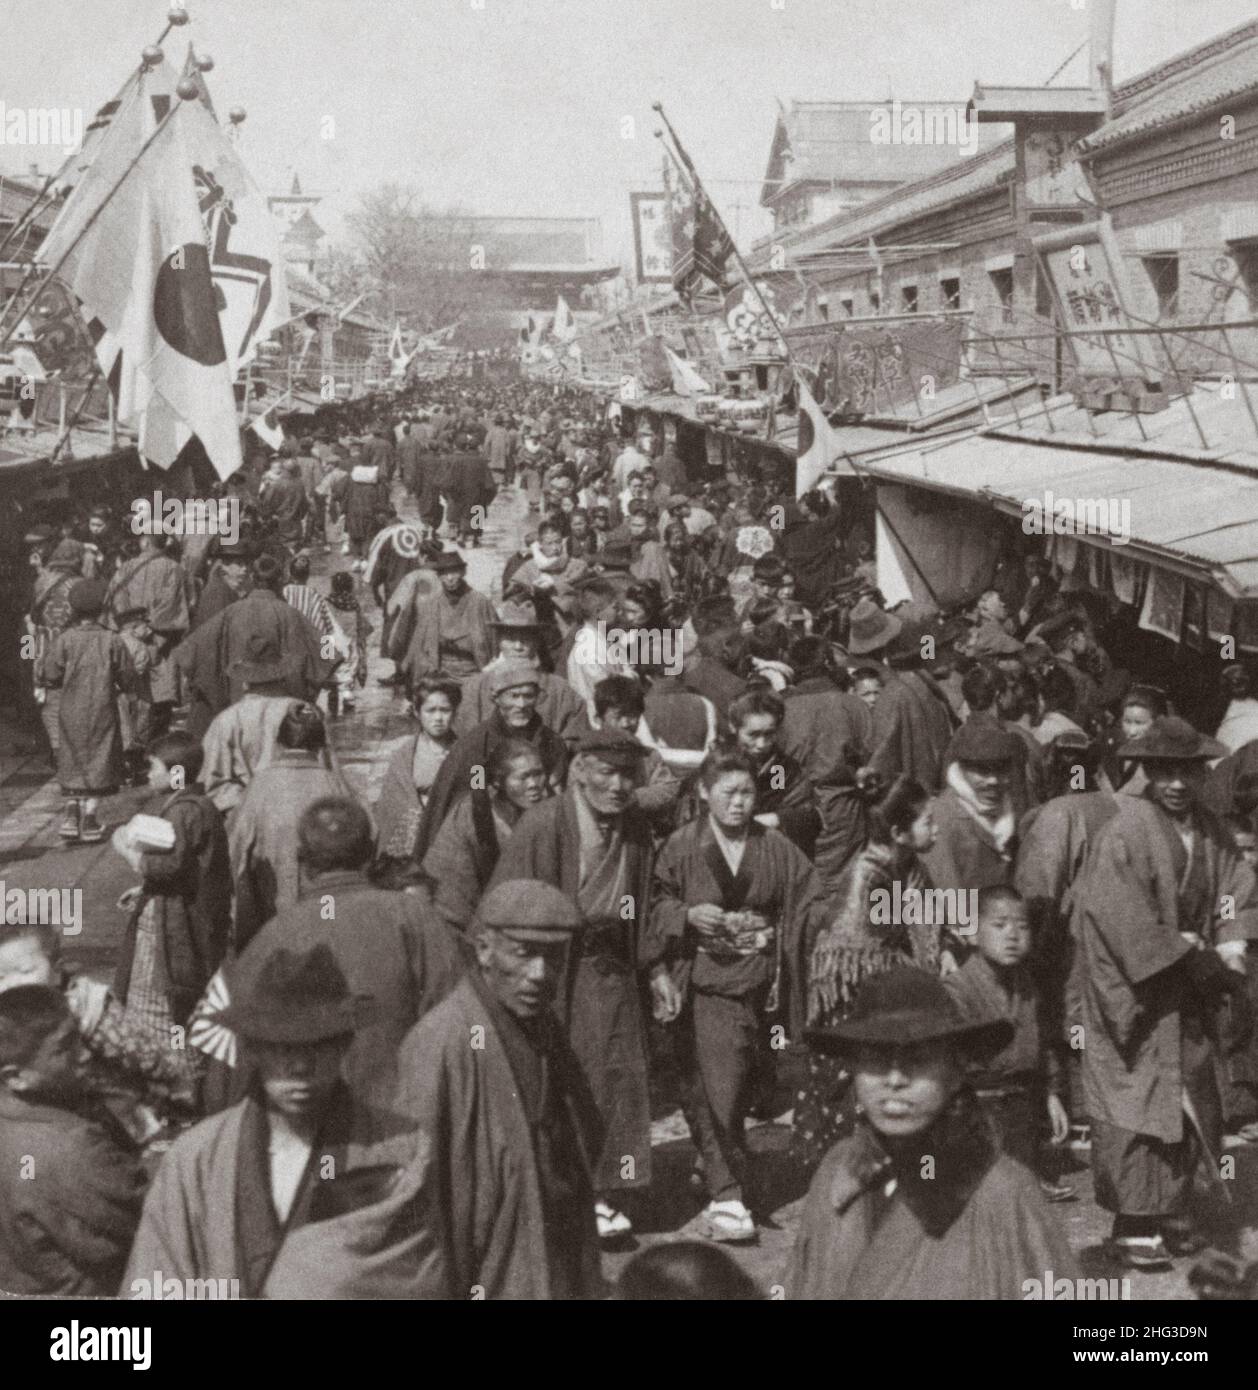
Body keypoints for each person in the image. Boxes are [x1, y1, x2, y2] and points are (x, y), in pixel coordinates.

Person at [266, 881, 606, 1300]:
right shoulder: (444, 1041)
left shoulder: (541, 1025)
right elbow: (411, 1187)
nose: (540, 973)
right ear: (483, 950)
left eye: (553, 957)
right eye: (523, 953)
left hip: (549, 1246)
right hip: (487, 1263)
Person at [1073, 716, 1257, 1268]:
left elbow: (1232, 893)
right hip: (1139, 990)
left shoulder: (1211, 830)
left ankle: (1175, 1208)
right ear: (1147, 772)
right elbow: (1112, 913)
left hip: (1190, 987)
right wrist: (1178, 950)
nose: (1177, 784)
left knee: (1191, 1097)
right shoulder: (1125, 832)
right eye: (1165, 772)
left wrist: (1228, 945)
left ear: (1202, 774)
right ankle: (1133, 1222)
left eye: (1188, 773)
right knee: (1136, 1103)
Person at [125, 944, 405, 1296]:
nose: (300, 1067)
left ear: (343, 1045)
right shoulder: (196, 1159)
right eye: (283, 1048)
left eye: (317, 1046)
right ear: (253, 1050)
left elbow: (417, 1276)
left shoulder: (398, 1152)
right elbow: (154, 1284)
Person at [788, 967, 1077, 1298]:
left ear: (956, 1072)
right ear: (852, 1070)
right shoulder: (837, 1172)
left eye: (919, 1059)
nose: (895, 1080)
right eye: (875, 1059)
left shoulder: (1002, 1193)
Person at [650, 748, 828, 1241]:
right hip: (707, 985)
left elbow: (811, 896)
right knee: (718, 1089)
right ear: (704, 793)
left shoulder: (773, 845)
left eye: (748, 792)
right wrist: (686, 916)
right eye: (728, 792)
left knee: (748, 1085)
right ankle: (727, 1193)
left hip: (762, 985)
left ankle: (714, 1166)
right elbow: (653, 901)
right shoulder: (681, 846)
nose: (739, 803)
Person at [490, 727, 656, 1244]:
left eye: (628, 774)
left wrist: (656, 969)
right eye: (606, 772)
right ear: (581, 772)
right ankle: (560, 1192)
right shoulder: (544, 825)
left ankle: (608, 1192)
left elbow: (643, 904)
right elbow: (506, 904)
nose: (618, 785)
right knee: (558, 1077)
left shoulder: (636, 829)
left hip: (612, 965)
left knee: (618, 1076)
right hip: (556, 967)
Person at [222, 799, 467, 1112]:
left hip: (309, 1132)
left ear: (301, 860)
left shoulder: (272, 936)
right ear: (370, 854)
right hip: (403, 1126)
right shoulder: (414, 917)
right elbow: (458, 1016)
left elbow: (233, 1056)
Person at [0, 986, 146, 1295]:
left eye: (78, 1037)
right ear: (16, 1077)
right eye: (64, 1048)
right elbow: (153, 1218)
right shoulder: (75, 1147)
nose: (84, 1053)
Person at [110, 732, 231, 1080]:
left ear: (176, 773)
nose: (148, 774)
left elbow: (168, 867)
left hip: (173, 931)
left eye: (153, 767)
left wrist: (127, 850)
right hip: (179, 916)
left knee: (162, 1007)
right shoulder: (197, 805)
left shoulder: (183, 811)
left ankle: (178, 1087)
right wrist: (143, 891)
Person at [944, 885, 1074, 1202]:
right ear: (972, 934)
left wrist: (1051, 1094)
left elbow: (1041, 1045)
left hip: (1021, 1110)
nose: (1013, 935)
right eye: (1000, 926)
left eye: (1023, 926)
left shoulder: (1027, 986)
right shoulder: (956, 990)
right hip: (975, 1111)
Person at [229, 704, 359, 951]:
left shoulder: (260, 786)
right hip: (326, 903)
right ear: (321, 747)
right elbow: (366, 838)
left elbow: (235, 851)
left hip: (272, 907)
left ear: (279, 744)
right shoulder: (335, 785)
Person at [413, 662, 568, 865]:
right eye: (513, 696)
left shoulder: (551, 742)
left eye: (528, 696)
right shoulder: (478, 746)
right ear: (497, 699)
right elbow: (474, 792)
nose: (521, 704)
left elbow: (559, 792)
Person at [175, 553, 332, 737]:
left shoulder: (231, 612)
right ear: (280, 580)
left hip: (237, 702)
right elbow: (326, 645)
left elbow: (190, 652)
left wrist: (217, 690)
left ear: (253, 578)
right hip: (280, 707)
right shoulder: (290, 614)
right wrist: (321, 679)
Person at [36, 577, 137, 844]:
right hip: (103, 709)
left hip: (71, 710)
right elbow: (127, 676)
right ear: (102, 609)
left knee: (72, 758)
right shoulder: (112, 640)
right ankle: (91, 819)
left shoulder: (65, 640)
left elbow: (50, 673)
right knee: (100, 760)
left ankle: (71, 814)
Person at [421, 739, 549, 931]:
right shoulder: (473, 818)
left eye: (538, 774)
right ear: (498, 782)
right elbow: (450, 895)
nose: (533, 785)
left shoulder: (550, 810)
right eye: (523, 777)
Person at [452, 598, 587, 748]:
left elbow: (574, 736)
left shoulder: (560, 689)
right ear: (499, 641)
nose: (518, 647)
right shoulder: (475, 687)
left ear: (536, 642)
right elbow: (464, 740)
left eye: (525, 639)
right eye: (510, 638)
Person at [104, 531, 189, 741]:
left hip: (128, 641)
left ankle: (133, 755)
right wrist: (149, 630)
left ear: (145, 542)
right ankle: (155, 755)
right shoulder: (174, 569)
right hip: (161, 643)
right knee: (160, 702)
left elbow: (113, 600)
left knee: (132, 700)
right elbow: (173, 606)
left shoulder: (125, 568)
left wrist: (128, 631)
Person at [922, 718, 1020, 900]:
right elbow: (947, 902)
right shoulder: (943, 819)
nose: (994, 781)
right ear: (962, 768)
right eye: (982, 771)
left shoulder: (1008, 811)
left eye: (1001, 770)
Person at [374, 676, 461, 863]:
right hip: (412, 841)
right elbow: (392, 805)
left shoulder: (471, 754)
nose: (438, 718)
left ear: (455, 712)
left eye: (445, 710)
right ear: (417, 712)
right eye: (430, 710)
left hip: (452, 837)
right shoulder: (403, 757)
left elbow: (478, 792)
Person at [393, 549, 496, 688]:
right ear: (439, 576)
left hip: (474, 672)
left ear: (463, 572)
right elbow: (419, 643)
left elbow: (496, 641)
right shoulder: (432, 603)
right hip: (441, 674)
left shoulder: (480, 602)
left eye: (454, 572)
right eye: (444, 573)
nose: (449, 578)